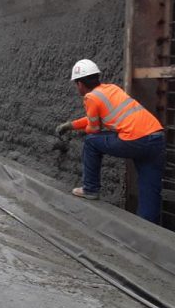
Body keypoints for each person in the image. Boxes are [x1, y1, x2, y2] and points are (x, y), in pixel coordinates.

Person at [55, 59, 165, 223]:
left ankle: (90, 189)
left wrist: (84, 129)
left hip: (134, 140)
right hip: (156, 137)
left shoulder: (91, 97)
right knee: (150, 187)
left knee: (91, 141)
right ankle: (148, 227)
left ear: (79, 84)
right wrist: (71, 125)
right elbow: (93, 117)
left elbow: (94, 129)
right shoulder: (111, 89)